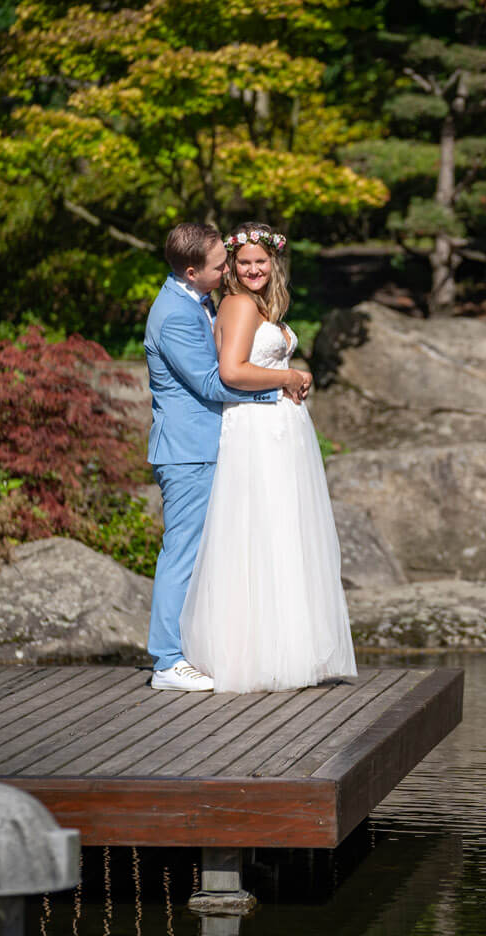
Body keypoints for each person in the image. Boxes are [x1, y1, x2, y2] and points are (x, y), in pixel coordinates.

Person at [178, 221, 358, 694]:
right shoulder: (238, 304)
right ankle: (254, 654)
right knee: (259, 532)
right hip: (257, 432)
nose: (254, 269)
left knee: (283, 533)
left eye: (262, 261)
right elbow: (233, 370)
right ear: (232, 267)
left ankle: (287, 649)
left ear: (273, 263)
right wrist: (287, 377)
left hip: (281, 431)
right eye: (244, 262)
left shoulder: (261, 306)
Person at [144, 223, 311, 692]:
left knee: (213, 553)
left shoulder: (196, 301)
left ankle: (204, 650)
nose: (230, 271)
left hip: (208, 444)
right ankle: (167, 661)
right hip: (188, 450)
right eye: (223, 266)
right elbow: (213, 382)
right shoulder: (175, 314)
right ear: (194, 271)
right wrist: (280, 387)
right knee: (182, 553)